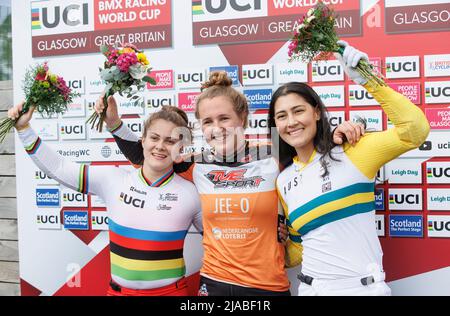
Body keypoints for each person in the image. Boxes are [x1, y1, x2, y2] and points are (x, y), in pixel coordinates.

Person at [96, 71, 365, 296]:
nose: (217, 128)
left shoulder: (274, 155)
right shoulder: (195, 164)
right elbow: (148, 155)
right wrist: (115, 124)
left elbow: (311, 145)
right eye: (208, 122)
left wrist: (347, 128)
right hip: (214, 284)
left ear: (243, 119)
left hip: (268, 286)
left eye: (225, 119)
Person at [270, 41, 430, 296]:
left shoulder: (353, 149)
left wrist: (368, 79)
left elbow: (415, 132)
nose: (291, 122)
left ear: (317, 113)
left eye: (298, 111)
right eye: (281, 116)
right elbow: (299, 249)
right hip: (309, 290)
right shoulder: (284, 179)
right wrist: (274, 240)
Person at [9, 103, 203, 296]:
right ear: (143, 140)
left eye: (170, 141)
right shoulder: (113, 180)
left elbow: (219, 243)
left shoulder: (191, 194)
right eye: (154, 137)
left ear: (181, 148)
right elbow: (59, 168)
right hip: (119, 293)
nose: (160, 146)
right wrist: (24, 129)